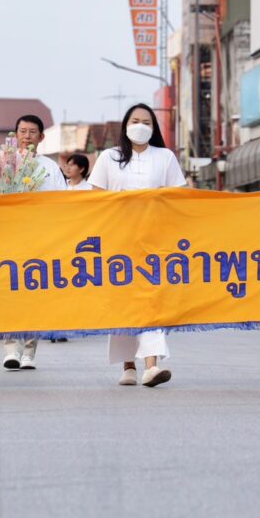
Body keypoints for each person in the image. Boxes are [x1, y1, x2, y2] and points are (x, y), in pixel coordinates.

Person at [87, 103, 184, 388]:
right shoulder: (109, 157)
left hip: (155, 239)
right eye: (135, 120)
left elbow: (178, 197)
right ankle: (128, 365)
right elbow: (95, 199)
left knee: (151, 300)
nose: (140, 126)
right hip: (118, 240)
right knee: (124, 301)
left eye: (146, 122)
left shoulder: (165, 157)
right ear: (125, 126)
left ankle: (151, 366)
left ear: (154, 128)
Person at [2, 115, 68, 370]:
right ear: (15, 134)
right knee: (10, 293)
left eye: (32, 132)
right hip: (10, 237)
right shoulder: (2, 163)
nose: (27, 136)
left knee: (34, 294)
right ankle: (11, 349)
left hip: (41, 239)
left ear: (41, 137)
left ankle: (29, 351)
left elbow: (62, 203)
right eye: (23, 131)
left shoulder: (50, 167)